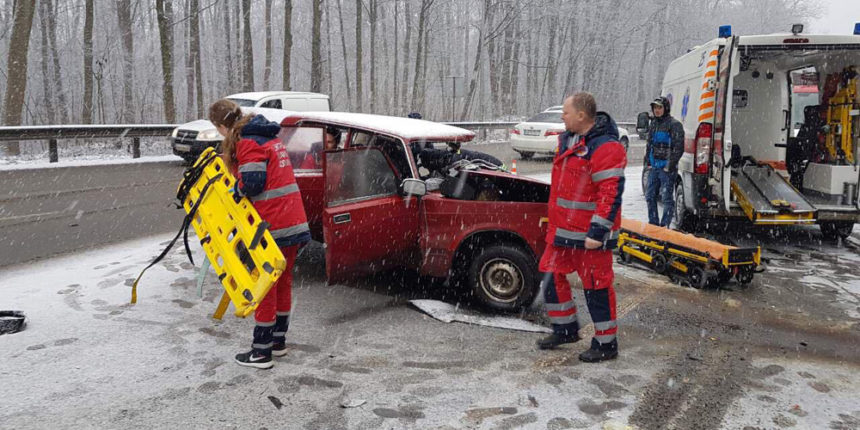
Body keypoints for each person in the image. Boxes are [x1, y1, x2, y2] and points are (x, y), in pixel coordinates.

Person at [208, 99, 311, 369]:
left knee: (264, 285)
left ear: (221, 126)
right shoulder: (267, 137)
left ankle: (260, 351)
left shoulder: (249, 142)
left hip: (273, 225)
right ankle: (277, 342)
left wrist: (237, 190)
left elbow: (253, 183)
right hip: (294, 220)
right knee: (283, 281)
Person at [537, 92, 626, 363]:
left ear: (581, 115)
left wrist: (598, 233)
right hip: (563, 232)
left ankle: (606, 343)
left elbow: (610, 194)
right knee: (549, 276)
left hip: (590, 236)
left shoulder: (606, 147)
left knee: (596, 288)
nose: (562, 116)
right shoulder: (569, 141)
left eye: (565, 112)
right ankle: (564, 329)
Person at [644, 96, 684, 227]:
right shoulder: (654, 124)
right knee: (650, 196)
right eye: (655, 108)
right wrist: (648, 162)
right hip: (654, 168)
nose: (657, 110)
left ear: (665, 108)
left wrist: (670, 165)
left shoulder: (674, 125)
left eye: (660, 107)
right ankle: (653, 224)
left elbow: (678, 148)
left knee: (667, 198)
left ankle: (664, 226)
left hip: (667, 169)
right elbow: (649, 144)